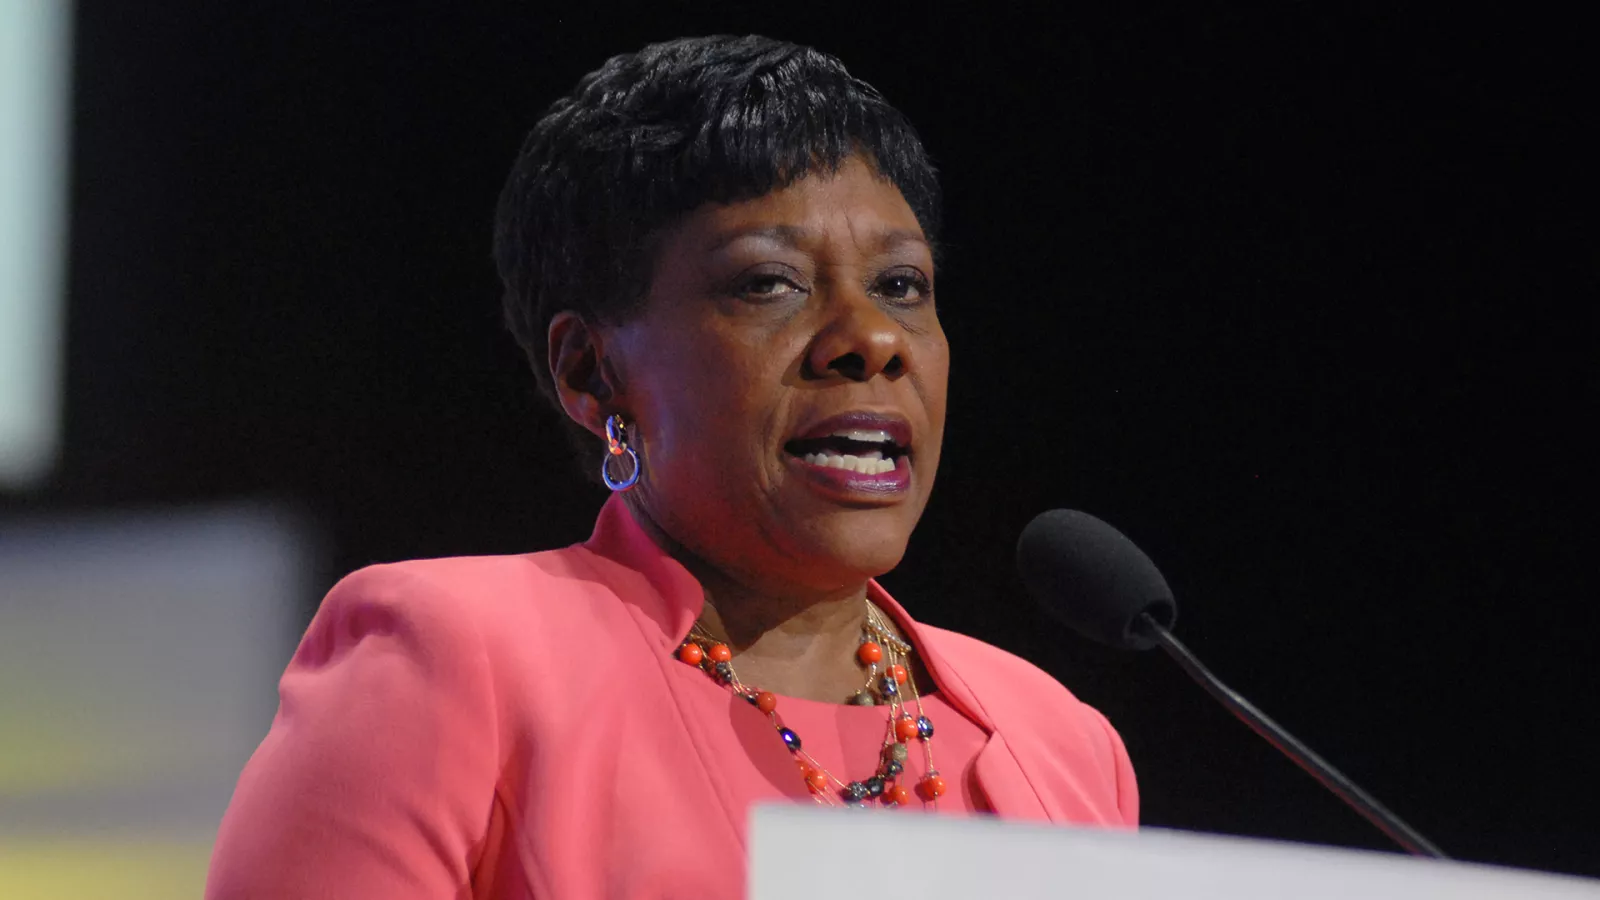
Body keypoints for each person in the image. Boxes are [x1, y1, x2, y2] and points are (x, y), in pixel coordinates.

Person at [206, 34, 1137, 900]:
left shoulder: (1060, 742)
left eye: (901, 286)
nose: (871, 339)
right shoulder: (457, 660)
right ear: (590, 369)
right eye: (767, 282)